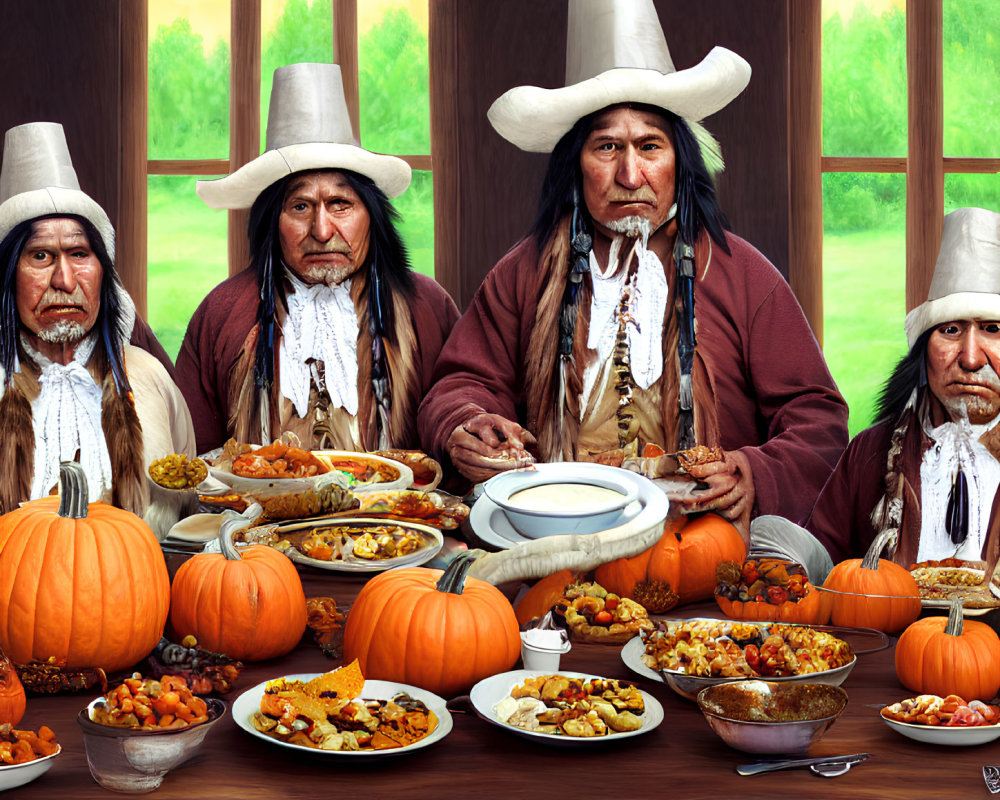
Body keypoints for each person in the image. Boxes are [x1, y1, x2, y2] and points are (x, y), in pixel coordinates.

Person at [418, 0, 848, 540]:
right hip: (555, 531)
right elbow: (462, 382)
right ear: (575, 165)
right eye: (606, 148)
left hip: (698, 539)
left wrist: (753, 472)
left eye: (650, 146)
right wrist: (468, 424)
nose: (629, 173)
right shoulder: (523, 273)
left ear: (680, 161)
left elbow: (817, 418)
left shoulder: (742, 274)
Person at [176, 62, 459, 455]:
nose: (322, 230)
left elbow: (458, 413)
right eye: (300, 206)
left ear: (371, 217)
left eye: (340, 204)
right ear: (271, 222)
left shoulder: (426, 307)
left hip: (394, 514)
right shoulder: (222, 314)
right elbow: (191, 456)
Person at [0, 121, 196, 536]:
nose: (65, 281)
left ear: (102, 273)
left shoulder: (149, 378)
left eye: (79, 253)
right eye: (40, 256)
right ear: (8, 277)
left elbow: (192, 515)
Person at [806, 207, 1000, 568]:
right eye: (951, 330)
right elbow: (820, 574)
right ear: (923, 351)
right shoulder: (872, 453)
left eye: (993, 329)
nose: (971, 358)